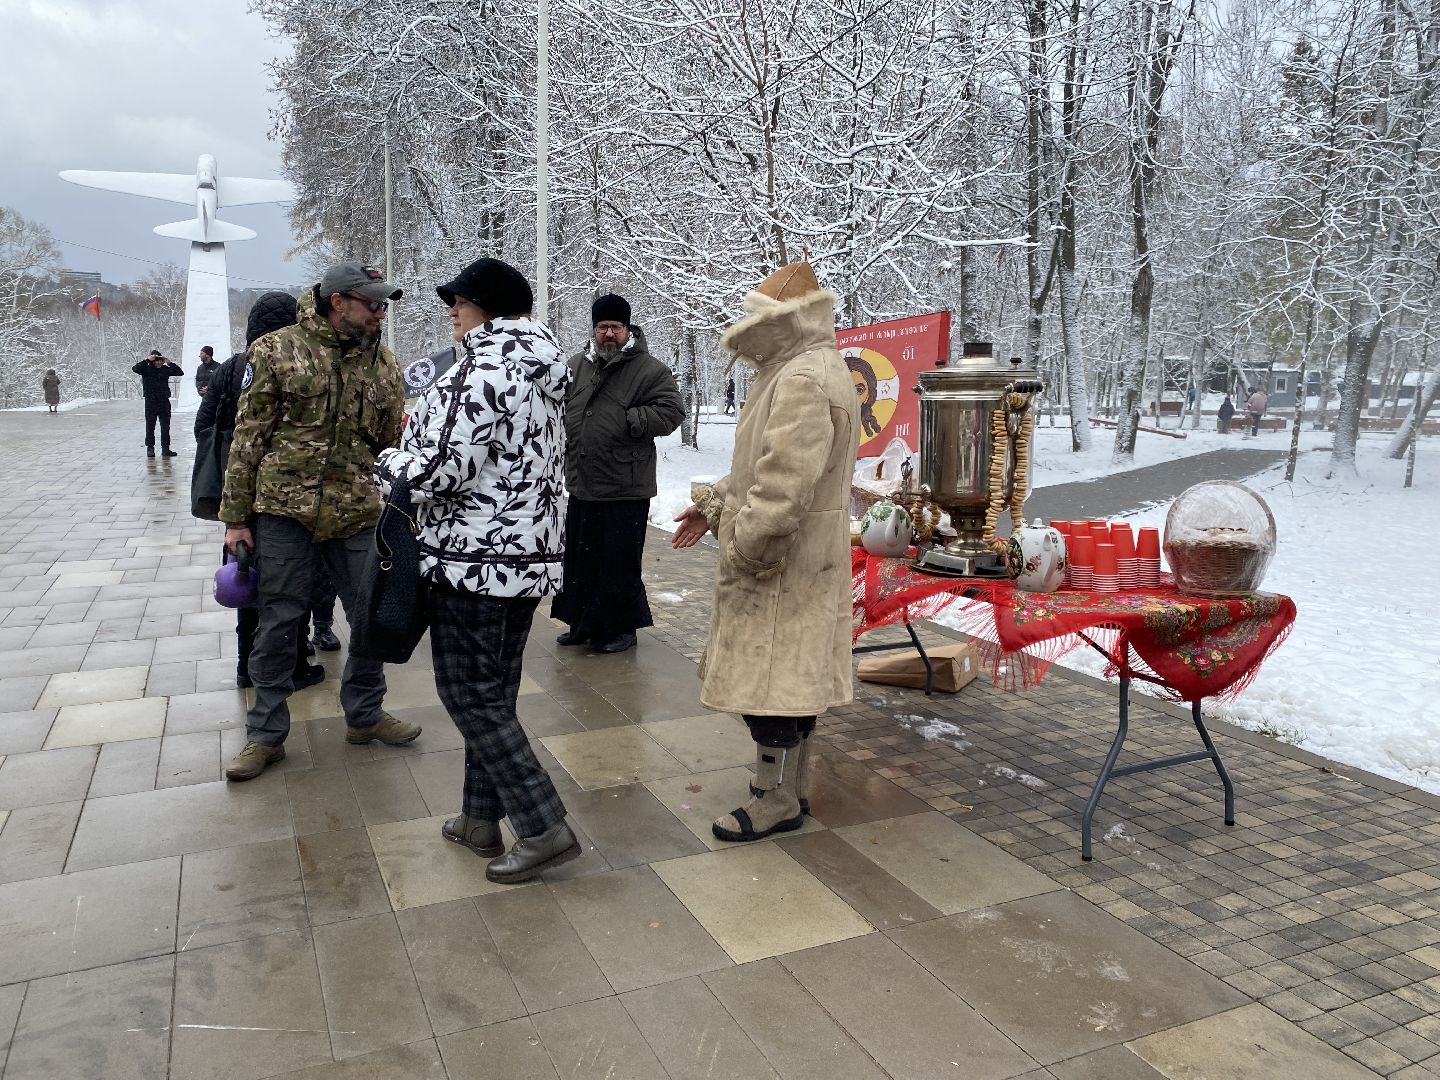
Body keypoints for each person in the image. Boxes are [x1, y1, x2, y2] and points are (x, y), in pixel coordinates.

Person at [375, 257, 579, 884]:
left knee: (469, 696)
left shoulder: (483, 367)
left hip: (474, 559)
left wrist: (387, 461)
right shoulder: (538, 365)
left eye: (459, 301)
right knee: (494, 693)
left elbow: (441, 469)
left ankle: (543, 825)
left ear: (487, 308)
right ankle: (479, 818)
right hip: (523, 559)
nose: (452, 311)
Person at [672, 260, 859, 842]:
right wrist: (715, 503)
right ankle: (791, 790)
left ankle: (773, 797)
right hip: (807, 557)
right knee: (792, 678)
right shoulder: (811, 369)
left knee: (772, 687)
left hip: (783, 563)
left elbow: (782, 489)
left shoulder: (801, 378)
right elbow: (761, 468)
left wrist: (747, 546)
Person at [218, 262, 418, 782]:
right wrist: (236, 520)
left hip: (355, 510)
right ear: (337, 301)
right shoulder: (276, 350)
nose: (380, 311)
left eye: (383, 303)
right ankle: (265, 735)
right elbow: (247, 440)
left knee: (370, 613)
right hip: (284, 510)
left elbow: (388, 446)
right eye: (371, 302)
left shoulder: (385, 365)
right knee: (279, 622)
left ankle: (365, 715)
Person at [194, 291, 326, 693]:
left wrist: (233, 454)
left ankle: (245, 666)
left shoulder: (231, 368)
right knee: (292, 581)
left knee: (246, 578)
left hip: (238, 494)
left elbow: (203, 426)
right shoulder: (300, 365)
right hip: (286, 495)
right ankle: (295, 662)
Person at [550, 294, 684, 654]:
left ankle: (621, 628)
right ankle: (582, 623)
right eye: (602, 327)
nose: (609, 333)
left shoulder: (649, 369)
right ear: (594, 329)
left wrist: (631, 419)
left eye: (615, 327)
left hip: (626, 484)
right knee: (581, 558)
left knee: (618, 561)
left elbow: (672, 412)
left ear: (627, 329)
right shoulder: (577, 365)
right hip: (583, 480)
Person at [132, 350, 183, 457]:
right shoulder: (146, 369)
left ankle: (166, 449)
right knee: (150, 426)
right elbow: (135, 368)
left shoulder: (165, 369)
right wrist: (147, 360)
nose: (159, 363)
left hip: (164, 401)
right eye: (156, 361)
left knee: (165, 426)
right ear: (152, 361)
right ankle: (150, 449)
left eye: (160, 361)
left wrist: (169, 362)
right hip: (151, 402)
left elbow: (179, 372)